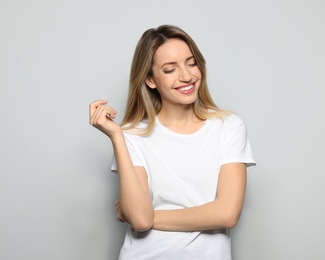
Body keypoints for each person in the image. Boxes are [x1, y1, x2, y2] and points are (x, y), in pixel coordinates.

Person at [89, 24, 256, 260]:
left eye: (191, 63)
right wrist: (117, 137)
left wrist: (147, 216)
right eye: (170, 69)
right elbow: (140, 218)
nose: (186, 76)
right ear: (150, 79)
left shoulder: (228, 126)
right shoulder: (131, 135)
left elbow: (227, 213)